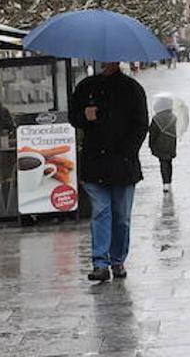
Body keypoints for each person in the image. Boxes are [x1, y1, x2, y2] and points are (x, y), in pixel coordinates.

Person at [69, 61, 149, 283]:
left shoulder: (132, 89)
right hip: (95, 163)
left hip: (123, 165)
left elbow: (141, 124)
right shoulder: (86, 87)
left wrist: (128, 152)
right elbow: (73, 117)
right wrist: (85, 116)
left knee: (121, 216)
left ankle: (117, 259)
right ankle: (100, 263)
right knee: (101, 211)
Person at [148, 99, 179, 192]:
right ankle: (168, 182)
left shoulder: (156, 118)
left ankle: (165, 183)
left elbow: (152, 133)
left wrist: (151, 145)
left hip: (160, 144)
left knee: (163, 163)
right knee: (169, 163)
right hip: (171, 144)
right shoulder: (174, 117)